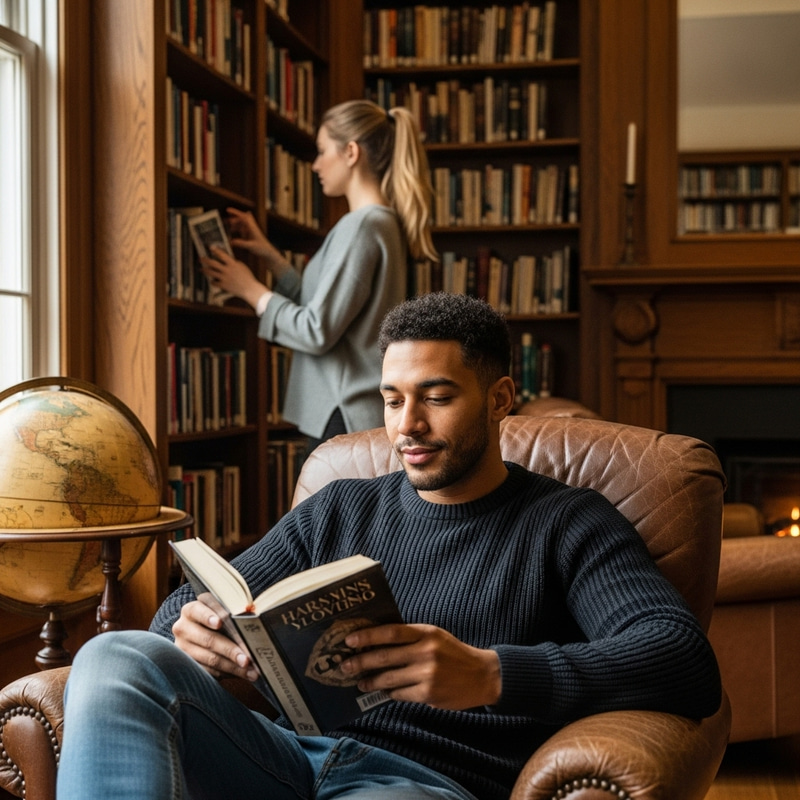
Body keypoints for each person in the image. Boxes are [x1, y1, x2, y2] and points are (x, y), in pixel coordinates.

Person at [57, 293, 722, 800]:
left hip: (419, 783)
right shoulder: (340, 506)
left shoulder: (569, 523)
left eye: (436, 397)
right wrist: (191, 631)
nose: (408, 425)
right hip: (284, 757)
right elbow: (183, 612)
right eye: (393, 399)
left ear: (499, 399)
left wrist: (491, 674)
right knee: (116, 655)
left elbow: (682, 658)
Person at [201, 99, 437, 449]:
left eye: (323, 150)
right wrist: (270, 257)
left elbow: (317, 329)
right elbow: (330, 308)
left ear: (351, 152)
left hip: (342, 411)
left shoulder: (362, 226)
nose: (315, 165)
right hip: (348, 409)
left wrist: (250, 290)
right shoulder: (384, 223)